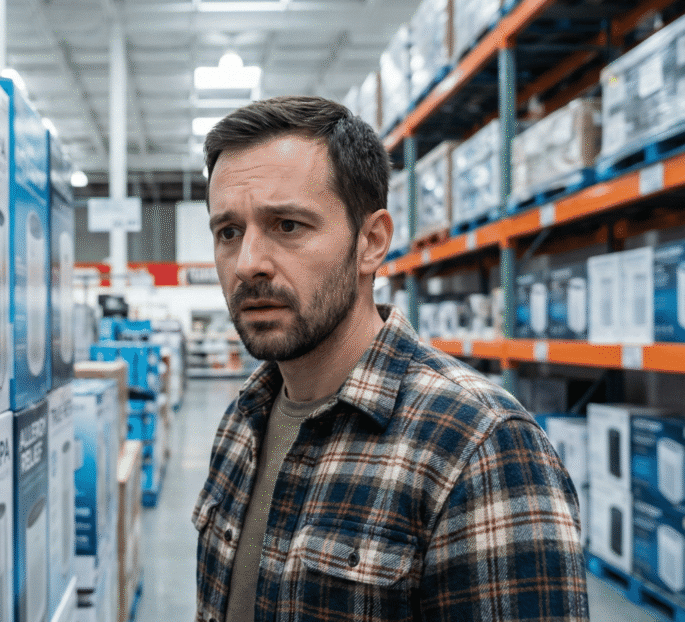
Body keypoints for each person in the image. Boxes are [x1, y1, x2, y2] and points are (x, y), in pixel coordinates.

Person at [194, 96, 589, 622]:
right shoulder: (241, 424)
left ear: (372, 242)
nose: (248, 264)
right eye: (228, 232)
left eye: (287, 225)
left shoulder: (480, 447)